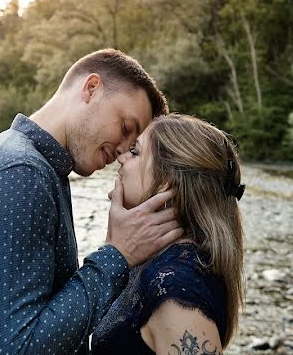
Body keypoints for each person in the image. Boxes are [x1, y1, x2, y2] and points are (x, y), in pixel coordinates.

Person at [0, 49, 183, 354]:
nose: (122, 153)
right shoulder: (18, 174)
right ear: (91, 88)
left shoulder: (38, 169)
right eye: (126, 128)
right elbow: (13, 350)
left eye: (134, 146)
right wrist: (118, 254)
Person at [91, 113, 246, 355]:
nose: (120, 158)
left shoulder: (177, 287)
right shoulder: (153, 258)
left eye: (135, 152)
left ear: (166, 181)